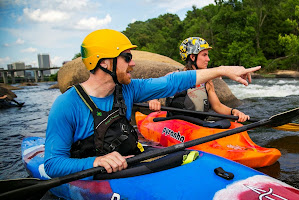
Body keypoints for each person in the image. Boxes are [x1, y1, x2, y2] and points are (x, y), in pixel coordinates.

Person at [44, 29, 260, 178]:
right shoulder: (67, 104)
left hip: (132, 161)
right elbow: (53, 164)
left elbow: (171, 82)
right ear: (104, 62)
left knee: (189, 157)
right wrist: (94, 162)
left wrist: (223, 70)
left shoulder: (128, 89)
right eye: (127, 57)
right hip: (97, 174)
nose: (134, 63)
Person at [148, 37, 250, 128]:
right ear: (193, 57)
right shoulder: (174, 76)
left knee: (226, 123)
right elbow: (153, 91)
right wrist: (153, 100)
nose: (208, 59)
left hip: (200, 125)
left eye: (207, 55)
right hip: (176, 125)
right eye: (204, 55)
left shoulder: (207, 82)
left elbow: (217, 106)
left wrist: (233, 112)